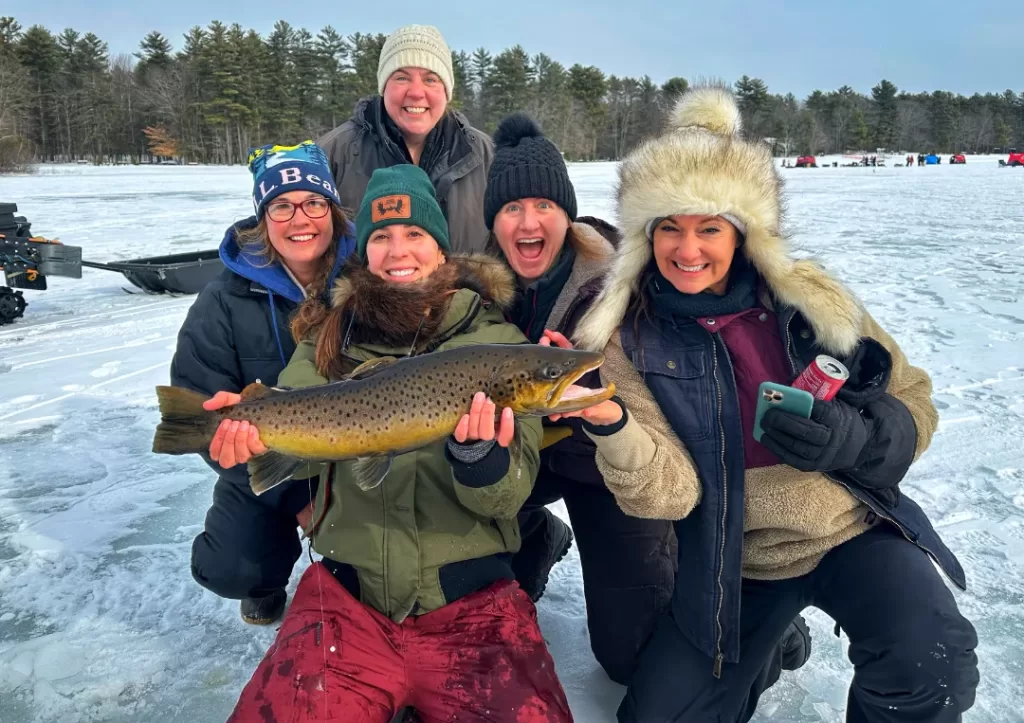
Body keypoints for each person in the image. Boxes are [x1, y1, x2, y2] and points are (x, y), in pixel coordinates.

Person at [569, 87, 979, 722]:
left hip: (850, 534)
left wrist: (859, 440)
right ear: (645, 237)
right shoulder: (629, 337)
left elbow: (913, 398)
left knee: (932, 661)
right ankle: (765, 648)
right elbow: (671, 496)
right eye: (669, 228)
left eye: (709, 228)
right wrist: (613, 423)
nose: (687, 250)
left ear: (744, 233)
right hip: (734, 562)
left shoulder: (811, 300)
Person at [214, 164, 572, 722]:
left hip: (472, 601)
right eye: (381, 236)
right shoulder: (329, 335)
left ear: (441, 250)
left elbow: (507, 498)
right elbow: (300, 407)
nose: (397, 249)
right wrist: (249, 433)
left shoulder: (497, 342)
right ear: (365, 252)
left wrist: (480, 459)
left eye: (415, 235)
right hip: (345, 600)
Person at [482, 112, 677, 684]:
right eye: (512, 208)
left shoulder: (625, 281)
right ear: (494, 221)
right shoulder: (471, 289)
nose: (528, 222)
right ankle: (537, 536)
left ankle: (727, 589)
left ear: (566, 214)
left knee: (631, 655)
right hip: (520, 464)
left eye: (544, 206)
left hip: (608, 469)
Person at [169, 141, 356, 625]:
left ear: (332, 210)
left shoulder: (367, 281)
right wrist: (295, 497)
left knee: (371, 575)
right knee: (232, 567)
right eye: (282, 205)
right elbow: (194, 412)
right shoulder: (221, 301)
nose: (301, 219)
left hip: (357, 461)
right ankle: (264, 578)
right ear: (263, 217)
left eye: (314, 202)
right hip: (266, 465)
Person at [317, 24, 492, 254]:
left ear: (446, 91)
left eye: (430, 79)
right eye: (402, 77)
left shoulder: (485, 156)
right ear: (384, 86)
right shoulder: (332, 153)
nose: (416, 92)